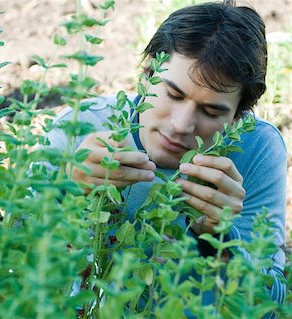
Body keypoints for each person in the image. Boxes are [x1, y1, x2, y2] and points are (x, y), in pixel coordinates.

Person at [45, 0, 287, 316]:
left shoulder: (257, 151)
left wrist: (222, 240)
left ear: (238, 119)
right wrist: (66, 196)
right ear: (146, 74)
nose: (181, 125)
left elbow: (268, 308)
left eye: (211, 111)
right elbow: (16, 269)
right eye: (172, 94)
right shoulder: (81, 126)